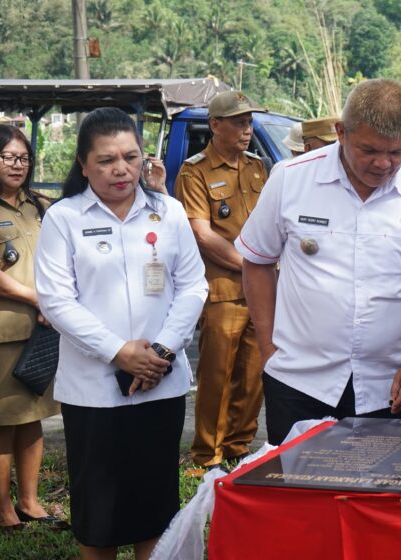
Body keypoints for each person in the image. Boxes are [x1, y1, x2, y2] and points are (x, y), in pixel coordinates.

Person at [235, 78, 401, 446]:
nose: (383, 164)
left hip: (390, 385)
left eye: (397, 152)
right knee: (298, 492)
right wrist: (269, 347)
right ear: (341, 132)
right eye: (369, 150)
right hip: (299, 378)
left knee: (378, 494)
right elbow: (257, 261)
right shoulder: (291, 180)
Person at [35, 107, 207, 559]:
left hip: (161, 381)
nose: (121, 169)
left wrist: (162, 352)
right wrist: (118, 352)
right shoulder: (64, 218)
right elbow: (56, 301)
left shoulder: (168, 212)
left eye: (130, 157)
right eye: (107, 160)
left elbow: (192, 285)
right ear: (83, 164)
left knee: (154, 503)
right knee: (100, 511)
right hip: (94, 390)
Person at [174, 90, 267, 469]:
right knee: (216, 375)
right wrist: (251, 268)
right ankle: (207, 454)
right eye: (239, 122)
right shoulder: (195, 171)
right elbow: (202, 233)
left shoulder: (258, 167)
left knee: (254, 374)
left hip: (260, 294)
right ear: (215, 125)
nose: (247, 130)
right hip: (224, 291)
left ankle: (238, 446)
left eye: (249, 122)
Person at [0, 124, 61, 530]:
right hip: (0, 333)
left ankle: (31, 502)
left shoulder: (42, 207)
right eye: (8, 158)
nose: (18, 166)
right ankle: (3, 508)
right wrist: (35, 299)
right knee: (0, 420)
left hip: (41, 333)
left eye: (23, 158)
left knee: (32, 417)